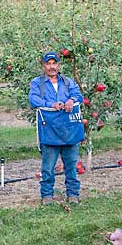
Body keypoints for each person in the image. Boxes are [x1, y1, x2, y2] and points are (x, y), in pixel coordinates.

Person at [28, 51, 85, 205]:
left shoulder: (67, 82)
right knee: (47, 167)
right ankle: (47, 195)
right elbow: (33, 100)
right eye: (48, 63)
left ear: (58, 65)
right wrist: (50, 104)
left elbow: (78, 95)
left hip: (68, 129)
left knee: (71, 165)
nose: (52, 67)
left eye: (54, 63)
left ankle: (73, 194)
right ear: (43, 65)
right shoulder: (37, 83)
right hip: (50, 130)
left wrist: (71, 100)